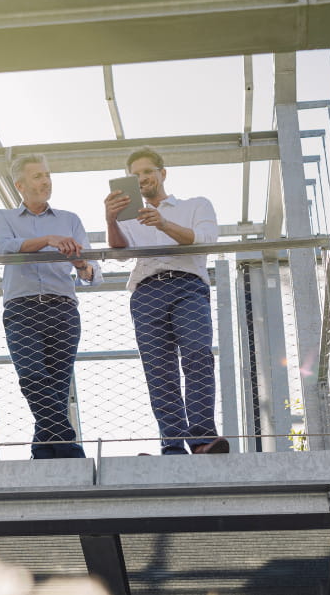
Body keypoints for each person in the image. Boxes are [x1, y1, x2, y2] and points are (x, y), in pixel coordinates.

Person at [103, 147, 226, 456]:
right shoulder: (129, 215)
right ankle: (172, 446)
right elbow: (121, 252)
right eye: (135, 175)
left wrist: (163, 224)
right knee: (159, 371)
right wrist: (111, 220)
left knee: (197, 355)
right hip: (147, 291)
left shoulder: (196, 205)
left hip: (187, 286)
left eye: (147, 171)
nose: (142, 178)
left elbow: (205, 240)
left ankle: (202, 440)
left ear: (163, 173)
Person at [0, 154, 100, 459]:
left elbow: (92, 274)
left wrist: (81, 265)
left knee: (58, 389)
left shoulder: (71, 219)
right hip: (22, 309)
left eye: (47, 175)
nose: (46, 181)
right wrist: (47, 239)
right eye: (37, 176)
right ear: (20, 185)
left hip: (62, 310)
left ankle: (43, 454)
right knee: (32, 378)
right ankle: (68, 446)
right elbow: (1, 249)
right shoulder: (4, 217)